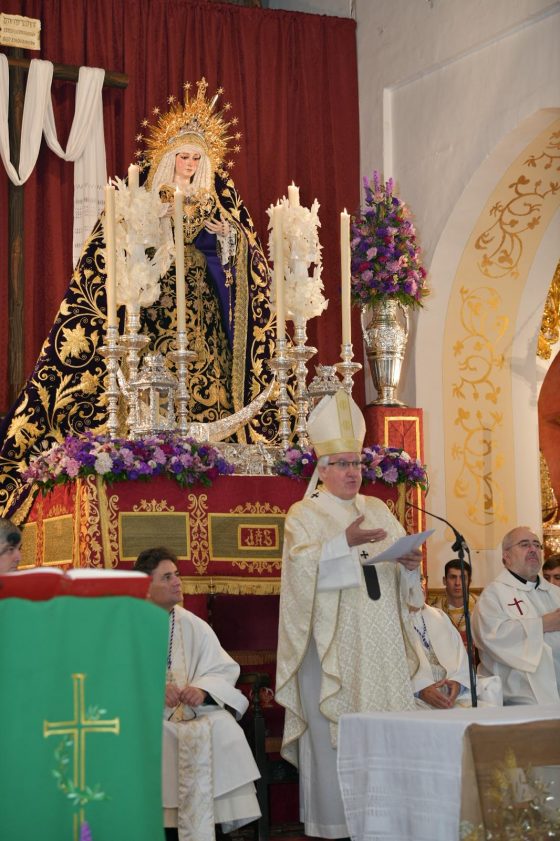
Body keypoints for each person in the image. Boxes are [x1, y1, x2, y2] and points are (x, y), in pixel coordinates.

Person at [0, 78, 275, 520]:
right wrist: (152, 222)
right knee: (153, 376)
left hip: (203, 312)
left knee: (209, 378)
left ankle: (212, 451)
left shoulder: (214, 204)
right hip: (158, 307)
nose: (188, 164)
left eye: (195, 159)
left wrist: (230, 242)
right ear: (168, 159)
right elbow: (118, 249)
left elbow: (244, 255)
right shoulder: (145, 197)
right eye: (182, 157)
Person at [275, 390, 423, 840]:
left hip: (382, 647)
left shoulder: (378, 508)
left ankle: (390, 825)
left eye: (357, 463)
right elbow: (299, 576)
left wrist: (409, 566)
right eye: (341, 463)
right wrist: (345, 543)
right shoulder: (304, 513)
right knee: (337, 738)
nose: (352, 472)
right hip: (334, 648)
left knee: (387, 734)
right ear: (321, 469)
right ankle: (336, 828)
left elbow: (402, 576)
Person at [134, 546, 260, 840]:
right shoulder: (128, 622)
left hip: (190, 714)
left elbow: (222, 668)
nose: (177, 582)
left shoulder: (191, 623)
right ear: (146, 586)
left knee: (226, 729)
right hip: (146, 717)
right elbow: (114, 675)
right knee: (157, 737)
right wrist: (152, 691)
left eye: (177, 575)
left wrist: (202, 689)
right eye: (167, 577)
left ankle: (209, 824)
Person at [472, 526, 560, 705]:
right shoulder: (493, 595)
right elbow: (491, 637)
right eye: (524, 544)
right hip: (519, 696)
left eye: (537, 545)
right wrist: (542, 624)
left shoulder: (555, 592)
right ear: (506, 556)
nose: (533, 549)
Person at [408, 576, 502, 708]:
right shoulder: (393, 621)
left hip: (452, 695)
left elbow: (462, 660)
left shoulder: (439, 616)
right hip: (416, 700)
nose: (420, 586)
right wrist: (420, 690)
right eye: (413, 581)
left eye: (421, 580)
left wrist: (458, 683)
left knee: (488, 712)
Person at [428, 558, 478, 651]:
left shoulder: (481, 607)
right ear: (444, 580)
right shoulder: (433, 610)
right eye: (452, 577)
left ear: (469, 582)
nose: (458, 583)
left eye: (463, 578)